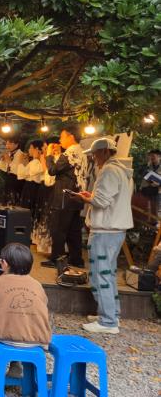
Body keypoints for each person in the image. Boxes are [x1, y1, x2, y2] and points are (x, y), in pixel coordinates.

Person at [76, 138, 133, 334]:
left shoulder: (109, 170)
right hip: (115, 230)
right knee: (108, 273)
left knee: (100, 274)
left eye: (95, 154)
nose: (94, 158)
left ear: (106, 152)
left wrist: (84, 198)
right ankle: (110, 314)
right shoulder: (121, 170)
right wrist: (91, 196)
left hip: (105, 230)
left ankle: (108, 321)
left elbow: (101, 202)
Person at [0, 243, 51, 348]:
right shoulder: (37, 285)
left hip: (1, 338)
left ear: (5, 263)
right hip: (37, 340)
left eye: (0, 261)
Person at [45, 124, 88, 268]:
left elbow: (52, 170)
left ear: (71, 136)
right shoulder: (81, 152)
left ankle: (57, 259)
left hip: (64, 196)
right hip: (77, 196)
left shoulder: (70, 152)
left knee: (58, 229)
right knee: (73, 231)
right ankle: (76, 259)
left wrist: (49, 155)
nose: (60, 140)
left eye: (62, 137)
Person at [0, 136, 26, 205]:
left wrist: (9, 161)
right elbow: (0, 167)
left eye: (10, 144)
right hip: (9, 178)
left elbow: (18, 171)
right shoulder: (9, 154)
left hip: (17, 180)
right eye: (7, 144)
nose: (7, 146)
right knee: (7, 199)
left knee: (14, 200)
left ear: (16, 145)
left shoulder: (21, 154)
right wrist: (2, 159)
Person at [140, 149, 160, 224]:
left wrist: (158, 184)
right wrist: (147, 164)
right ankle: (142, 226)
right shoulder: (147, 165)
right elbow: (140, 172)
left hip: (157, 192)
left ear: (159, 156)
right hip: (145, 190)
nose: (152, 157)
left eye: (153, 156)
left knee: (154, 211)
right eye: (150, 156)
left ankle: (153, 227)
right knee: (143, 209)